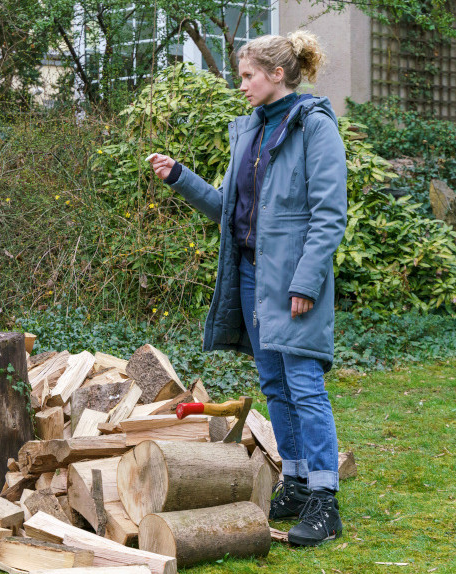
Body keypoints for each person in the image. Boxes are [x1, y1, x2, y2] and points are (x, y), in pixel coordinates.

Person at [148, 31, 347, 547]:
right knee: (276, 386)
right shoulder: (250, 132)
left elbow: (329, 217)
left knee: (304, 384)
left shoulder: (316, 128)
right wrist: (180, 177)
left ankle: (326, 501)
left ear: (277, 74)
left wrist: (306, 282)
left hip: (295, 282)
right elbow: (229, 212)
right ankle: (299, 481)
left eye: (248, 76)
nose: (242, 86)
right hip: (254, 279)